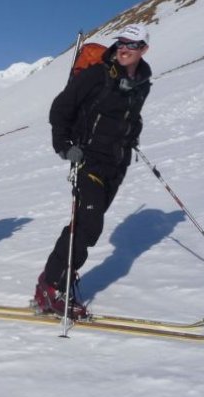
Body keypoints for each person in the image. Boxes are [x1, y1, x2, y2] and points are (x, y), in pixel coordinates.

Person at [36, 24, 153, 317]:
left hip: (117, 162)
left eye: (132, 45)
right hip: (88, 158)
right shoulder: (95, 75)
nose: (124, 49)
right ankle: (50, 287)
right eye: (122, 43)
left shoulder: (142, 83)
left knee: (86, 225)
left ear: (144, 50)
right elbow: (60, 109)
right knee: (89, 224)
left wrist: (132, 135)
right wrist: (63, 145)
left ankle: (54, 282)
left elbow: (130, 117)